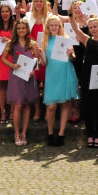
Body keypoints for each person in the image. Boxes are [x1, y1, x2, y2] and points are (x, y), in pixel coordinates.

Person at [69, 13, 98, 148]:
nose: (93, 29)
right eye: (91, 27)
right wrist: (70, 14)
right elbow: (75, 28)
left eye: (95, 27)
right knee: (87, 108)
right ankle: (90, 136)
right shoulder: (87, 40)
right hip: (87, 77)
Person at [40, 15, 80, 146]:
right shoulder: (44, 40)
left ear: (59, 26)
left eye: (56, 25)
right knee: (51, 106)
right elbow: (44, 62)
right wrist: (40, 54)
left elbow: (74, 58)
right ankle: (50, 133)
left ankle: (61, 133)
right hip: (52, 74)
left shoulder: (66, 39)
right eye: (51, 25)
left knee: (64, 103)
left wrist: (71, 54)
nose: (54, 27)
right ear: (48, 27)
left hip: (65, 72)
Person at [2, 19, 43, 146]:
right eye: (18, 28)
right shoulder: (11, 43)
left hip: (29, 78)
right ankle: (16, 133)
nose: (21, 30)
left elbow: (38, 61)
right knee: (18, 105)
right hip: (16, 76)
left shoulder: (32, 43)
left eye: (23, 28)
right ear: (16, 30)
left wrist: (38, 57)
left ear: (27, 30)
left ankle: (24, 133)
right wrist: (11, 65)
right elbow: (3, 58)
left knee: (26, 105)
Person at [0, 4, 15, 124]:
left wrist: (9, 41)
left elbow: (21, 41)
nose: (5, 13)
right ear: (0, 13)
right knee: (0, 86)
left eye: (7, 11)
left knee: (12, 86)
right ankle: (2, 112)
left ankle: (12, 112)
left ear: (10, 13)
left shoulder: (15, 26)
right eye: (2, 11)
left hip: (11, 58)